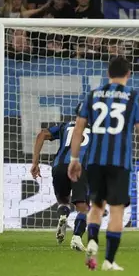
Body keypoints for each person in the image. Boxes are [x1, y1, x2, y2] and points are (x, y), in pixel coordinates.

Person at [68, 56, 139, 271]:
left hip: (95, 160)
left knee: (96, 206)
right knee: (117, 211)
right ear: (129, 74)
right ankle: (109, 261)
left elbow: (78, 130)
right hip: (120, 162)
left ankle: (93, 239)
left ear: (108, 74)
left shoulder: (93, 95)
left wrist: (74, 159)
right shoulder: (132, 96)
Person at [30, 102, 90, 251]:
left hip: (59, 167)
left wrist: (35, 163)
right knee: (83, 207)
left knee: (63, 200)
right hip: (79, 167)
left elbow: (42, 134)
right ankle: (76, 237)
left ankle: (63, 215)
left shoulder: (65, 126)